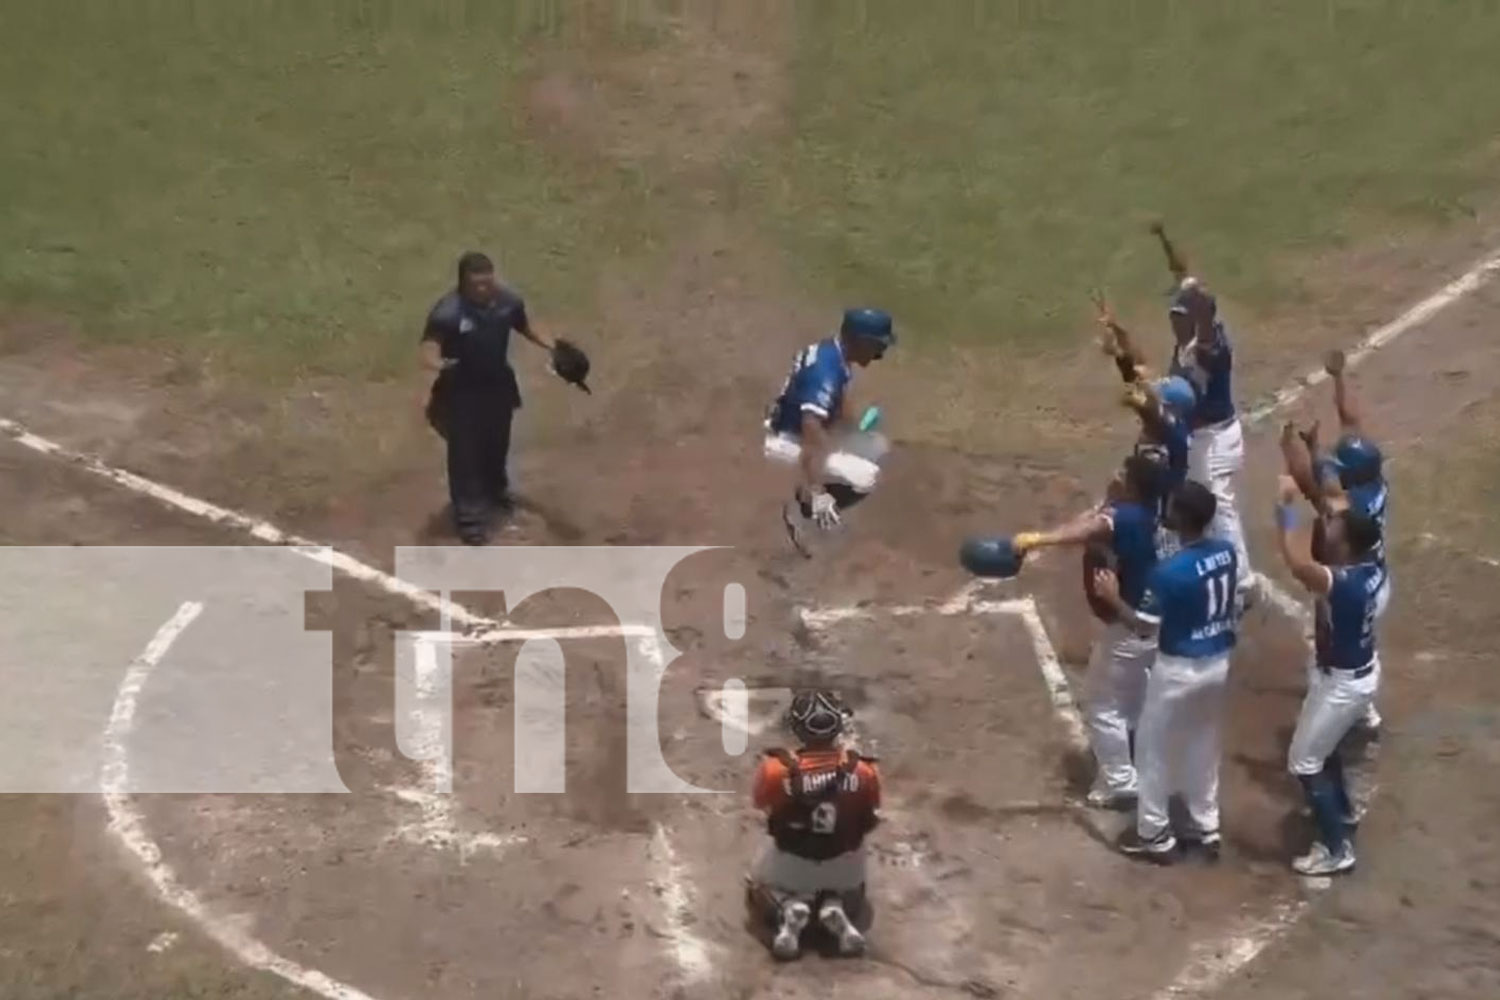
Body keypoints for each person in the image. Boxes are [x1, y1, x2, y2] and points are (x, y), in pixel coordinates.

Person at [1094, 480, 1239, 863]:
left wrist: (1112, 598)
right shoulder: (1226, 552)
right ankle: (1205, 825)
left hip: (1178, 671)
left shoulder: (1170, 572)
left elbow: (1143, 625)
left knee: (1151, 750)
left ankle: (1154, 833)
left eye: (1173, 507)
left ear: (1183, 518)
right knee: (1203, 744)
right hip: (1218, 666)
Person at [1011, 454, 1164, 809]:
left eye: (1124, 472)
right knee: (1134, 697)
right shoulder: (1157, 509)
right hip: (1158, 619)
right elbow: (1100, 521)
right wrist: (1112, 499)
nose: (1117, 472)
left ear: (1135, 485)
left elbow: (1087, 530)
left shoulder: (1126, 518)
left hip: (1129, 622)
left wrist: (1039, 539)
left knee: (1103, 705)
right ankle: (1139, 760)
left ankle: (1121, 782)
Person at [1273, 474, 1385, 875]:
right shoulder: (1373, 566)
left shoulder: (1342, 582)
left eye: (1337, 526)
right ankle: (1343, 811)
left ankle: (1337, 849)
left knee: (1303, 762)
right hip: (1348, 674)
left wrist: (1285, 510)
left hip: (1344, 683)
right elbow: (1336, 507)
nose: (1329, 526)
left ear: (1349, 543)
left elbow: (1294, 560)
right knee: (1326, 748)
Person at [1280, 349, 1390, 732]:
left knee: (1332, 644)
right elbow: (1352, 424)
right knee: (1362, 637)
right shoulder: (1373, 480)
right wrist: (1339, 377)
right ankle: (1367, 711)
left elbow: (1312, 486)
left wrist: (1298, 451)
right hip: (1376, 577)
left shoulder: (1347, 506)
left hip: (1349, 581)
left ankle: (1334, 711)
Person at [421, 252, 563, 545]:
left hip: (498, 385)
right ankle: (469, 517)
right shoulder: (448, 313)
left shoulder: (507, 302)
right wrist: (437, 364)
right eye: (478, 285)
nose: (485, 289)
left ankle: (495, 493)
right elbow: (429, 347)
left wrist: (553, 346)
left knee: (497, 443)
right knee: (465, 454)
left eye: (488, 282)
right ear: (464, 284)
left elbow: (526, 326)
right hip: (462, 392)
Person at [747, 690, 881, 960]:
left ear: (797, 729)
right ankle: (836, 907)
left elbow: (760, 804)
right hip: (845, 870)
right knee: (854, 883)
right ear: (839, 728)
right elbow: (870, 818)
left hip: (790, 868)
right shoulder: (864, 771)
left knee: (756, 885)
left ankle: (789, 907)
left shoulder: (775, 769)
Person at [765, 309, 896, 555]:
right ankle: (803, 511)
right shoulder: (826, 372)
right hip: (788, 441)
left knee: (876, 445)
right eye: (878, 346)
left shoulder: (834, 353)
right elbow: (810, 428)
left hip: (799, 430)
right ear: (860, 341)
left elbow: (838, 404)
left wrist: (854, 432)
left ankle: (814, 497)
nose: (880, 354)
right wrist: (817, 491)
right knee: (866, 477)